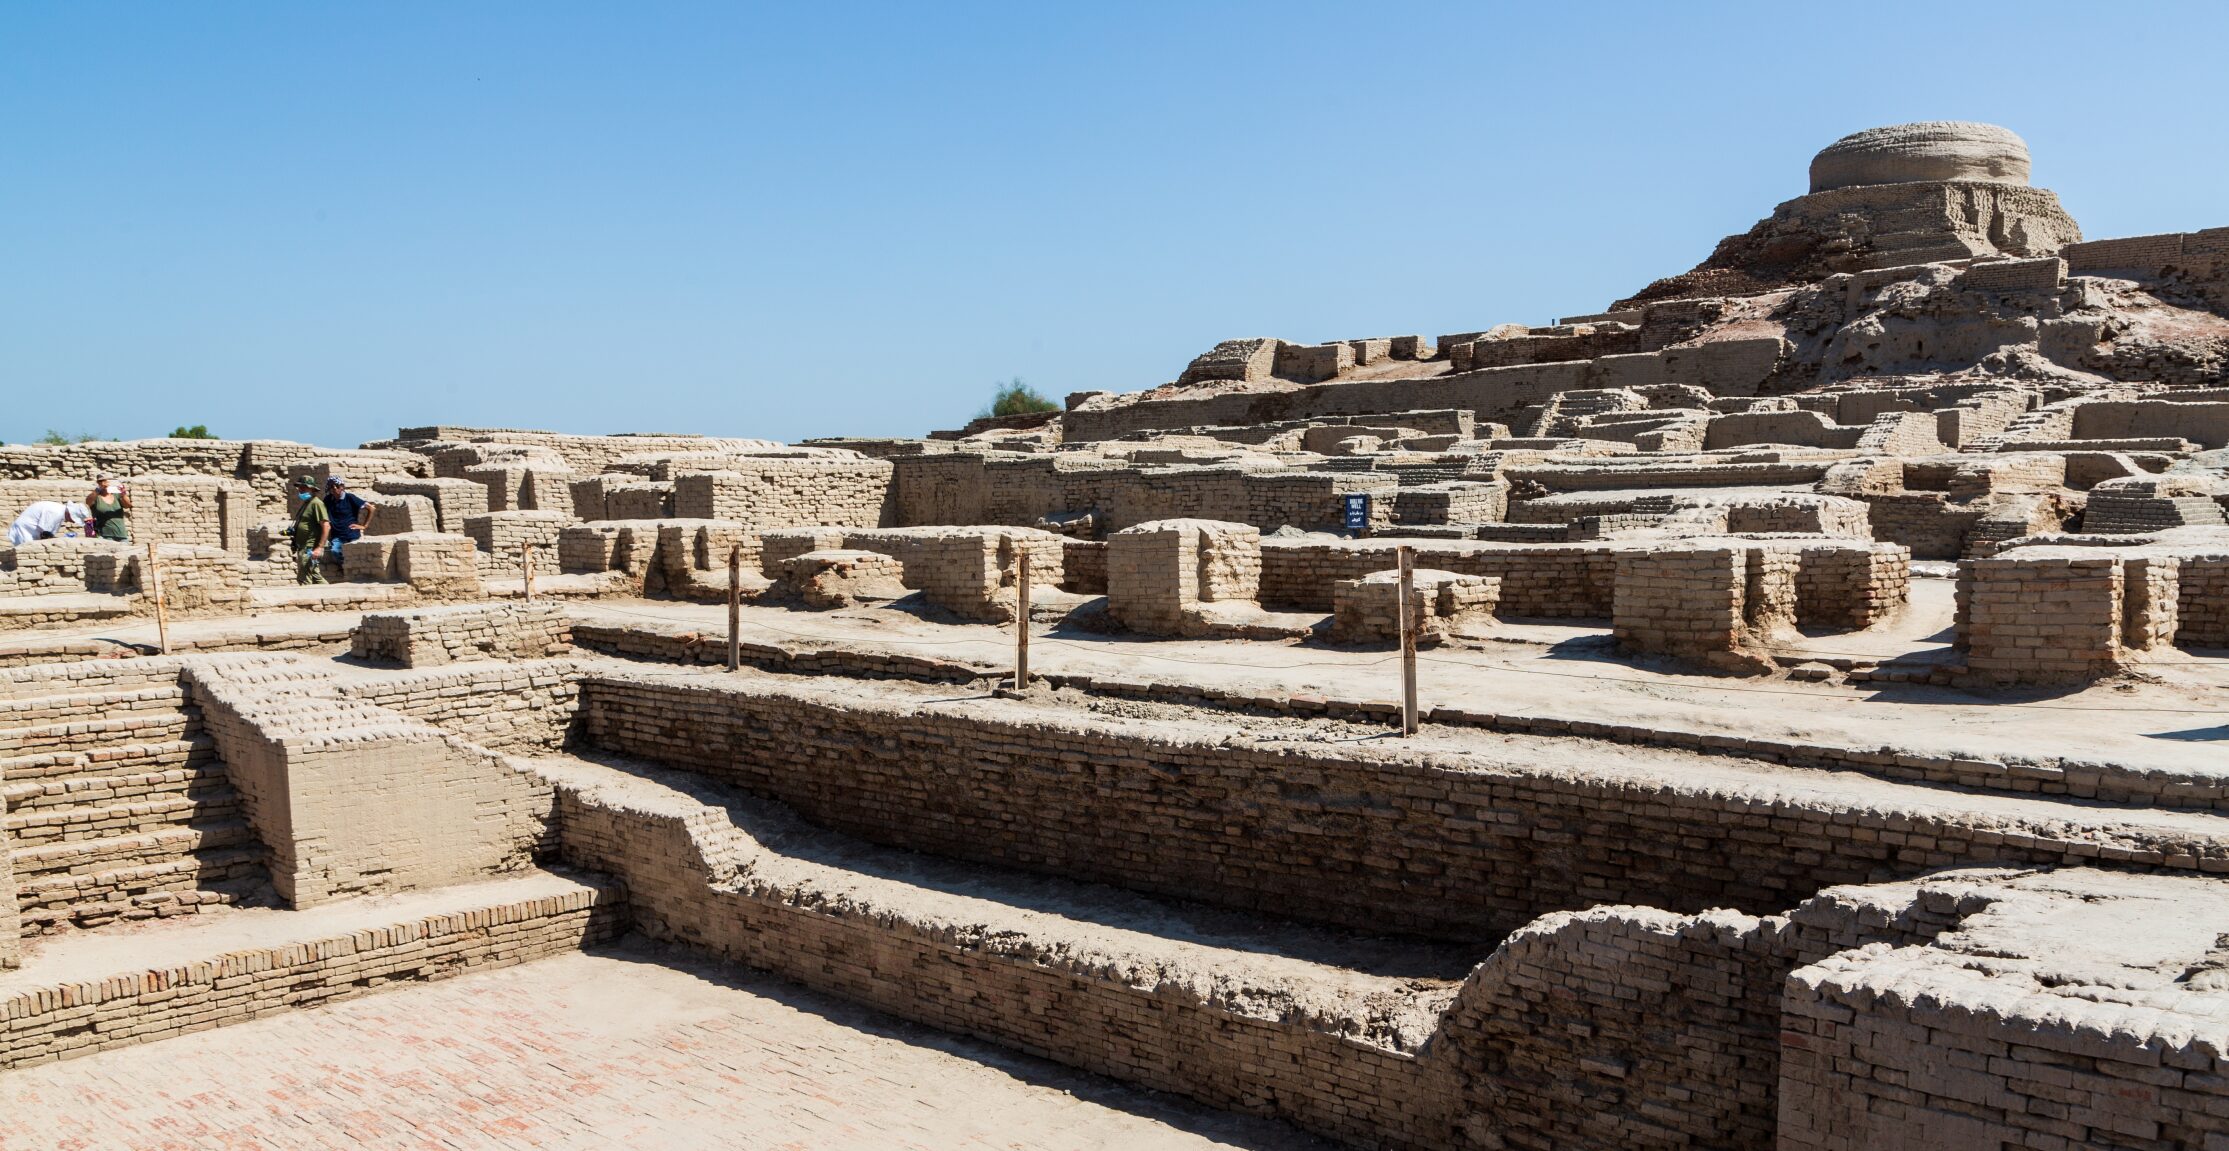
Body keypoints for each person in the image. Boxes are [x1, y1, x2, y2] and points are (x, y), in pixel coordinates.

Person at [288, 477, 330, 584]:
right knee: (316, 578)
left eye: (304, 487)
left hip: (309, 549)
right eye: (299, 487)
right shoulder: (307, 503)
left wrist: (319, 548)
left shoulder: (316, 503)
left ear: (312, 489)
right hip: (303, 547)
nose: (300, 490)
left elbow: (326, 525)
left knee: (304, 579)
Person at [320, 477, 376, 559]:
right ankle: (345, 568)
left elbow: (371, 508)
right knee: (335, 551)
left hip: (351, 535)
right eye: (332, 487)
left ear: (342, 487)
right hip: (337, 536)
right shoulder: (328, 500)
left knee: (354, 555)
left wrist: (364, 526)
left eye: (337, 486)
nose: (335, 488)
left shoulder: (350, 498)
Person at [7, 501, 90, 546]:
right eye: (74, 519)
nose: (73, 522)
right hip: (24, 531)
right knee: (26, 554)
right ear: (71, 514)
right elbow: (45, 535)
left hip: (31, 532)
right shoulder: (55, 512)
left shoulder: (60, 512)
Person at [85, 474, 132, 542]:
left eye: (107, 481)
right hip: (104, 535)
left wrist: (123, 493)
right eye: (101, 481)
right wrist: (98, 490)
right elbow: (88, 502)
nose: (105, 483)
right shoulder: (96, 497)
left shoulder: (117, 495)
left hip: (121, 535)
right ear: (98, 483)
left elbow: (128, 505)